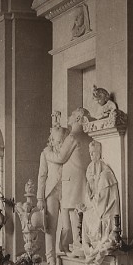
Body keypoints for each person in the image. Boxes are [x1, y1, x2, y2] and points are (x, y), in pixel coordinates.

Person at [44, 107, 92, 256]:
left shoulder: (72, 137)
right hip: (83, 180)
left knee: (73, 215)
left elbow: (60, 157)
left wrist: (47, 153)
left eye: (72, 115)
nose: (69, 116)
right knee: (80, 214)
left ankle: (77, 246)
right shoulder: (88, 137)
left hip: (71, 182)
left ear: (77, 119)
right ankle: (76, 245)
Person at [81, 140, 120, 257]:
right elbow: (90, 191)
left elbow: (101, 201)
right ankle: (90, 248)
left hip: (105, 208)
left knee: (89, 216)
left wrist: (90, 203)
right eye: (90, 152)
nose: (91, 155)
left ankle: (95, 248)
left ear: (99, 153)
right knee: (86, 215)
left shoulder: (105, 175)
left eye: (93, 152)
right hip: (98, 205)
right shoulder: (91, 167)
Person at [37, 123, 67, 265]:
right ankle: (50, 257)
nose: (59, 144)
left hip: (66, 190)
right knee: (51, 226)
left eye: (62, 141)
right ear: (52, 140)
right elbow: (42, 176)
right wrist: (40, 198)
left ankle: (62, 250)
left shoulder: (67, 153)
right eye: (57, 141)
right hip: (51, 192)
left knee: (67, 225)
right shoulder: (45, 154)